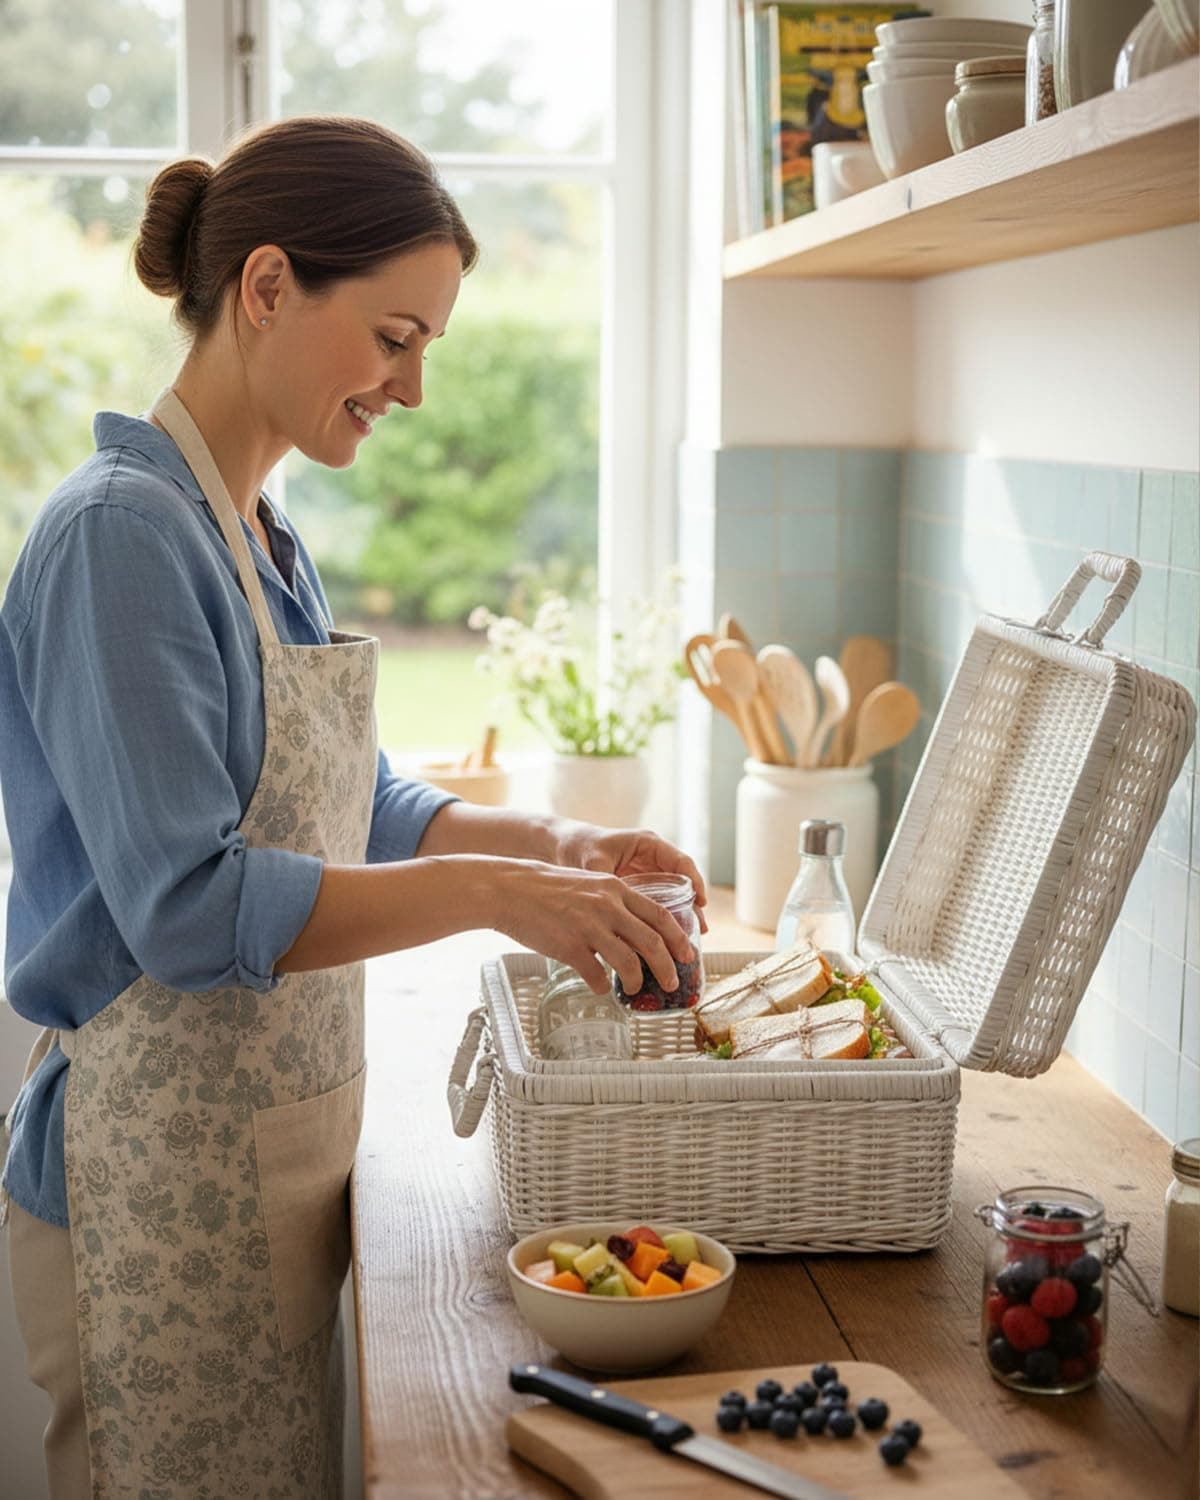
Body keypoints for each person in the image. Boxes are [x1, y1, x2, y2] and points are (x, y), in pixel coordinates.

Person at [0, 115, 706, 1500]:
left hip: (260, 1164)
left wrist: (551, 844)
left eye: (426, 345)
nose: (416, 387)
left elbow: (339, 801)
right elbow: (190, 906)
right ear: (267, 286)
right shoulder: (120, 541)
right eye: (396, 337)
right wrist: (508, 903)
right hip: (156, 1189)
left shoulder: (256, 531)